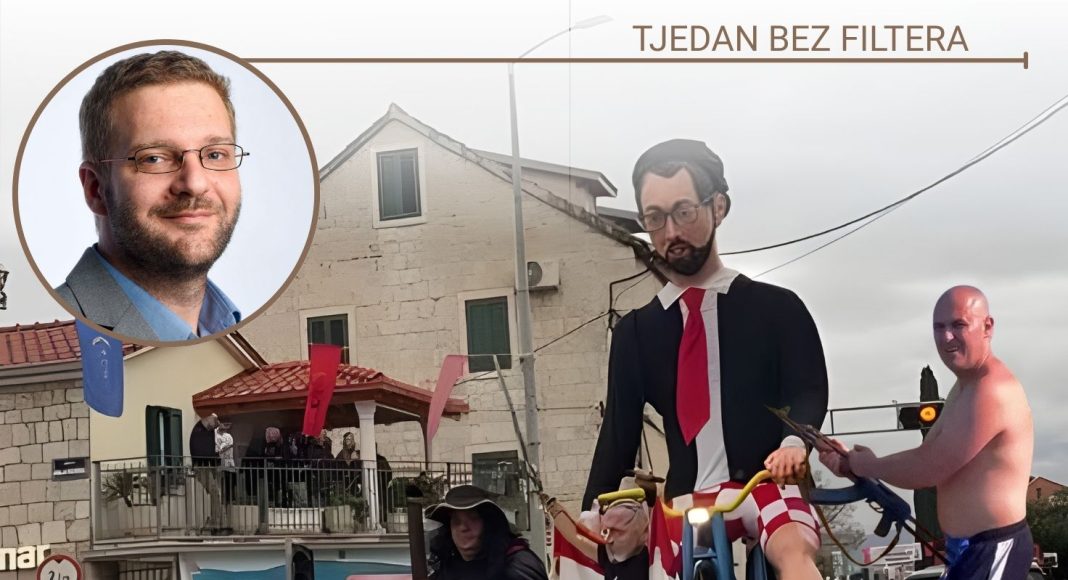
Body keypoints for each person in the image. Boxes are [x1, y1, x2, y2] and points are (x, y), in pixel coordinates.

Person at [583, 139, 828, 580]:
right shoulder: (636, 332)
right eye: (654, 218)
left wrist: (794, 445)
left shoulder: (777, 308)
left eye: (684, 212)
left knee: (792, 548)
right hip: (687, 498)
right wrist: (591, 511)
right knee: (663, 567)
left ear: (718, 207)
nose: (671, 232)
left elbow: (807, 389)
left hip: (764, 484)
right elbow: (618, 433)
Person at [820, 286, 1034, 580]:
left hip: (994, 547)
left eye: (959, 324)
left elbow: (929, 467)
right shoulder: (964, 388)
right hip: (967, 550)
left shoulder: (992, 389)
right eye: (939, 327)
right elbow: (925, 456)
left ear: (987, 327)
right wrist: (852, 464)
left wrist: (866, 465)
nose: (947, 337)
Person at [55, 50, 246, 342]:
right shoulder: (65, 330)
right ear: (96, 189)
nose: (195, 184)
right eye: (154, 158)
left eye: (215, 154)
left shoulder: (229, 325)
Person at [426, 485, 548, 580]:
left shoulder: (518, 563)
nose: (463, 527)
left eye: (473, 518)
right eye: (456, 521)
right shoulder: (447, 566)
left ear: (489, 523)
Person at [189, 413, 223, 532]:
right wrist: (216, 459)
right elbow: (204, 451)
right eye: (214, 423)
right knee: (214, 492)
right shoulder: (199, 431)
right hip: (201, 467)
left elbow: (210, 448)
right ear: (209, 420)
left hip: (205, 466)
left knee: (214, 493)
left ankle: (215, 521)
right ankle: (215, 522)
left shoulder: (207, 431)